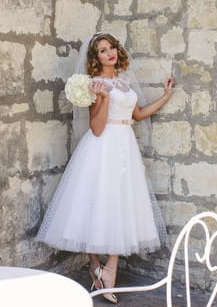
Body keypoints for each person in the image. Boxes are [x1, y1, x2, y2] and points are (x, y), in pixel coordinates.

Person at [36, 32, 174, 304]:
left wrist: (166, 95)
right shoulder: (95, 84)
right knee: (97, 202)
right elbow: (96, 128)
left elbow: (138, 114)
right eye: (102, 50)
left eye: (111, 47)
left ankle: (106, 270)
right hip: (103, 147)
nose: (109, 52)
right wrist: (105, 98)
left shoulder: (123, 80)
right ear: (95, 57)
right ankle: (98, 266)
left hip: (125, 147)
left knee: (120, 204)